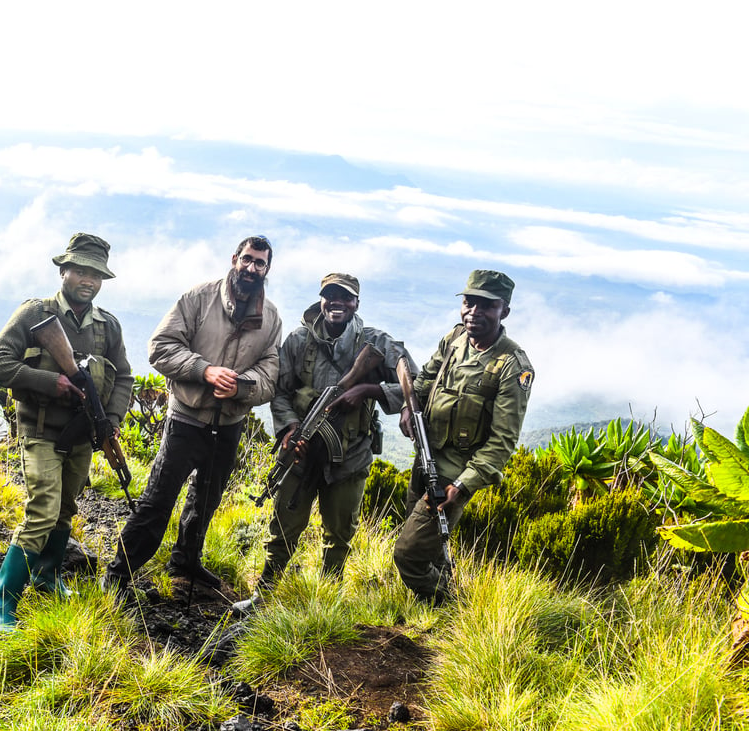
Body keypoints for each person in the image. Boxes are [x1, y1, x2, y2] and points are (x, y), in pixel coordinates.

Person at [105, 235, 282, 601]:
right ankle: (118, 572)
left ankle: (185, 561)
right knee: (159, 499)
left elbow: (270, 374)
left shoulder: (271, 318)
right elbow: (160, 347)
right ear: (234, 259)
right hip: (186, 419)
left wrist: (241, 386)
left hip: (230, 424)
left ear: (267, 269)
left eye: (259, 263)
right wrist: (204, 371)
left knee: (206, 501)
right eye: (247, 259)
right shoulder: (198, 298)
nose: (251, 268)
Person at [232, 273, 412, 615]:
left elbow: (413, 381)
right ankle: (263, 596)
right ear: (321, 299)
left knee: (339, 535)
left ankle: (325, 604)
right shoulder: (299, 341)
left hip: (350, 457)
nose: (336, 303)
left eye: (345, 297)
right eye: (330, 295)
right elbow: (279, 391)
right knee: (283, 526)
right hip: (300, 452)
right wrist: (289, 428)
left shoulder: (375, 342)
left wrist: (368, 391)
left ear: (356, 303)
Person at [0, 232, 133, 632]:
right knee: (43, 509)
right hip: (41, 430)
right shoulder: (35, 314)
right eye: (81, 270)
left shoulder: (107, 327)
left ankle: (46, 578)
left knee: (66, 508)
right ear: (63, 270)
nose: (88, 280)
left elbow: (125, 378)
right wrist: (53, 383)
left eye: (96, 274)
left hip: (83, 436)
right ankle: (0, 602)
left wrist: (110, 422)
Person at [394, 269, 534, 604]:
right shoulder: (455, 339)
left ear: (505, 312)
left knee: (408, 555)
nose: (474, 311)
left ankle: (451, 604)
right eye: (469, 302)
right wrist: (407, 408)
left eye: (486, 305)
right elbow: (426, 377)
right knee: (427, 547)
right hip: (424, 457)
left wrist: (465, 484)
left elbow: (502, 440)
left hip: (453, 474)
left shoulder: (512, 366)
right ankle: (431, 616)